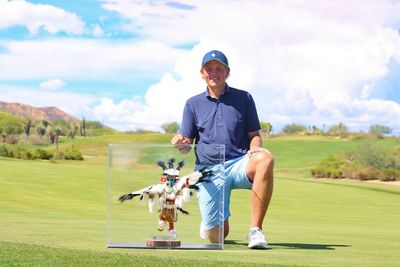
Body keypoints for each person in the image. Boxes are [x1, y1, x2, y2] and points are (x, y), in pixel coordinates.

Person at [171, 50, 274, 249]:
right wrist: (179, 143)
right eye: (209, 69)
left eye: (219, 68)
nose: (214, 73)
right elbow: (187, 145)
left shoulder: (244, 98)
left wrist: (255, 149)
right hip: (208, 169)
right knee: (217, 237)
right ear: (202, 73)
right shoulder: (193, 104)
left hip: (238, 163)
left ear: (227, 72)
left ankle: (255, 230)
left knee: (265, 158)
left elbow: (254, 136)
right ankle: (212, 222)